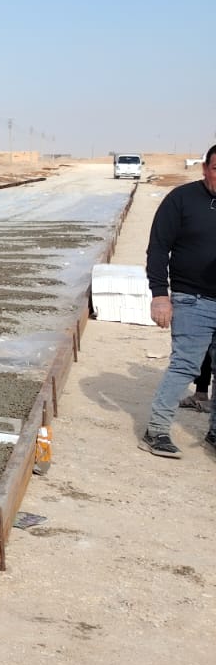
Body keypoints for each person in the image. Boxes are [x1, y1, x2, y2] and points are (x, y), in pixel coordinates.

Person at [140, 144, 216, 458]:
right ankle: (156, 431)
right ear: (205, 168)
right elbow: (158, 248)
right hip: (191, 300)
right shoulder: (181, 199)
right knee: (185, 366)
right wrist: (160, 295)